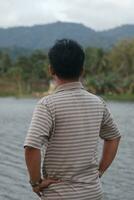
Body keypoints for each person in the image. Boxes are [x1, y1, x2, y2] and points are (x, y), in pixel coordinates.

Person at [24, 39, 121, 200]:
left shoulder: (47, 105)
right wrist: (100, 171)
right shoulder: (98, 103)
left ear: (51, 70)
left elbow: (31, 148)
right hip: (93, 193)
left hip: (59, 194)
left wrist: (35, 183)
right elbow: (113, 137)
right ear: (82, 70)